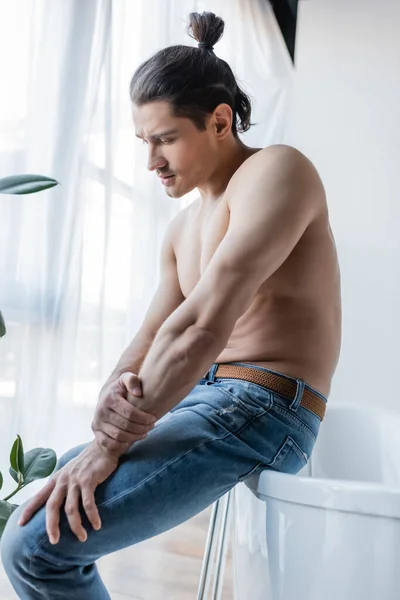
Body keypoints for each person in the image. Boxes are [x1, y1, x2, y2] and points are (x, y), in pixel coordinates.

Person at [0, 11, 341, 600]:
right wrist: (115, 391)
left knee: (37, 547)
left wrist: (109, 446)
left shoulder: (276, 171)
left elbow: (204, 323)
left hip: (263, 405)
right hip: (204, 398)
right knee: (30, 527)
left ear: (219, 121)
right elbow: (151, 337)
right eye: (143, 142)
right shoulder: (183, 229)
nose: (151, 161)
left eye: (164, 140)